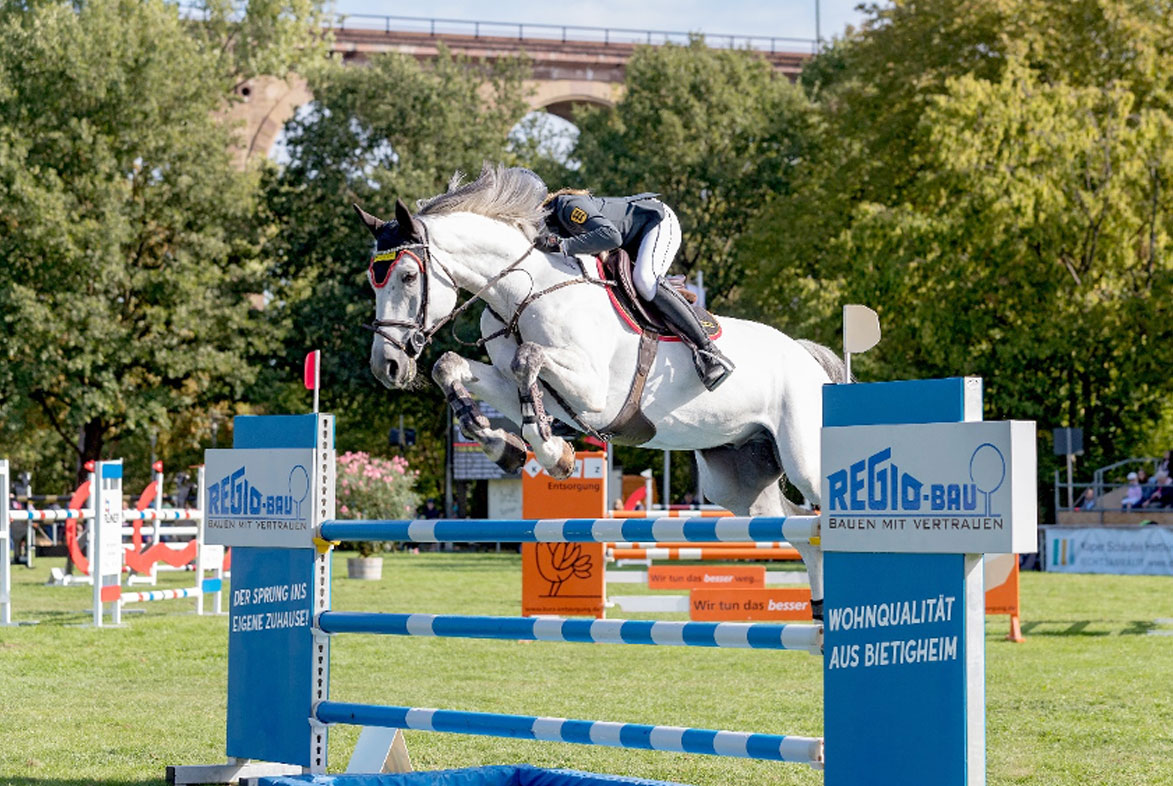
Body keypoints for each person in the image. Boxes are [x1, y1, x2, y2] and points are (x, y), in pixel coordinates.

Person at [537, 189, 735, 391]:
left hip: (656, 223)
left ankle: (710, 353)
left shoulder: (566, 205)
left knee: (645, 280)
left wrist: (562, 245)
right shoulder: (552, 224)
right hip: (633, 244)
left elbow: (611, 236)